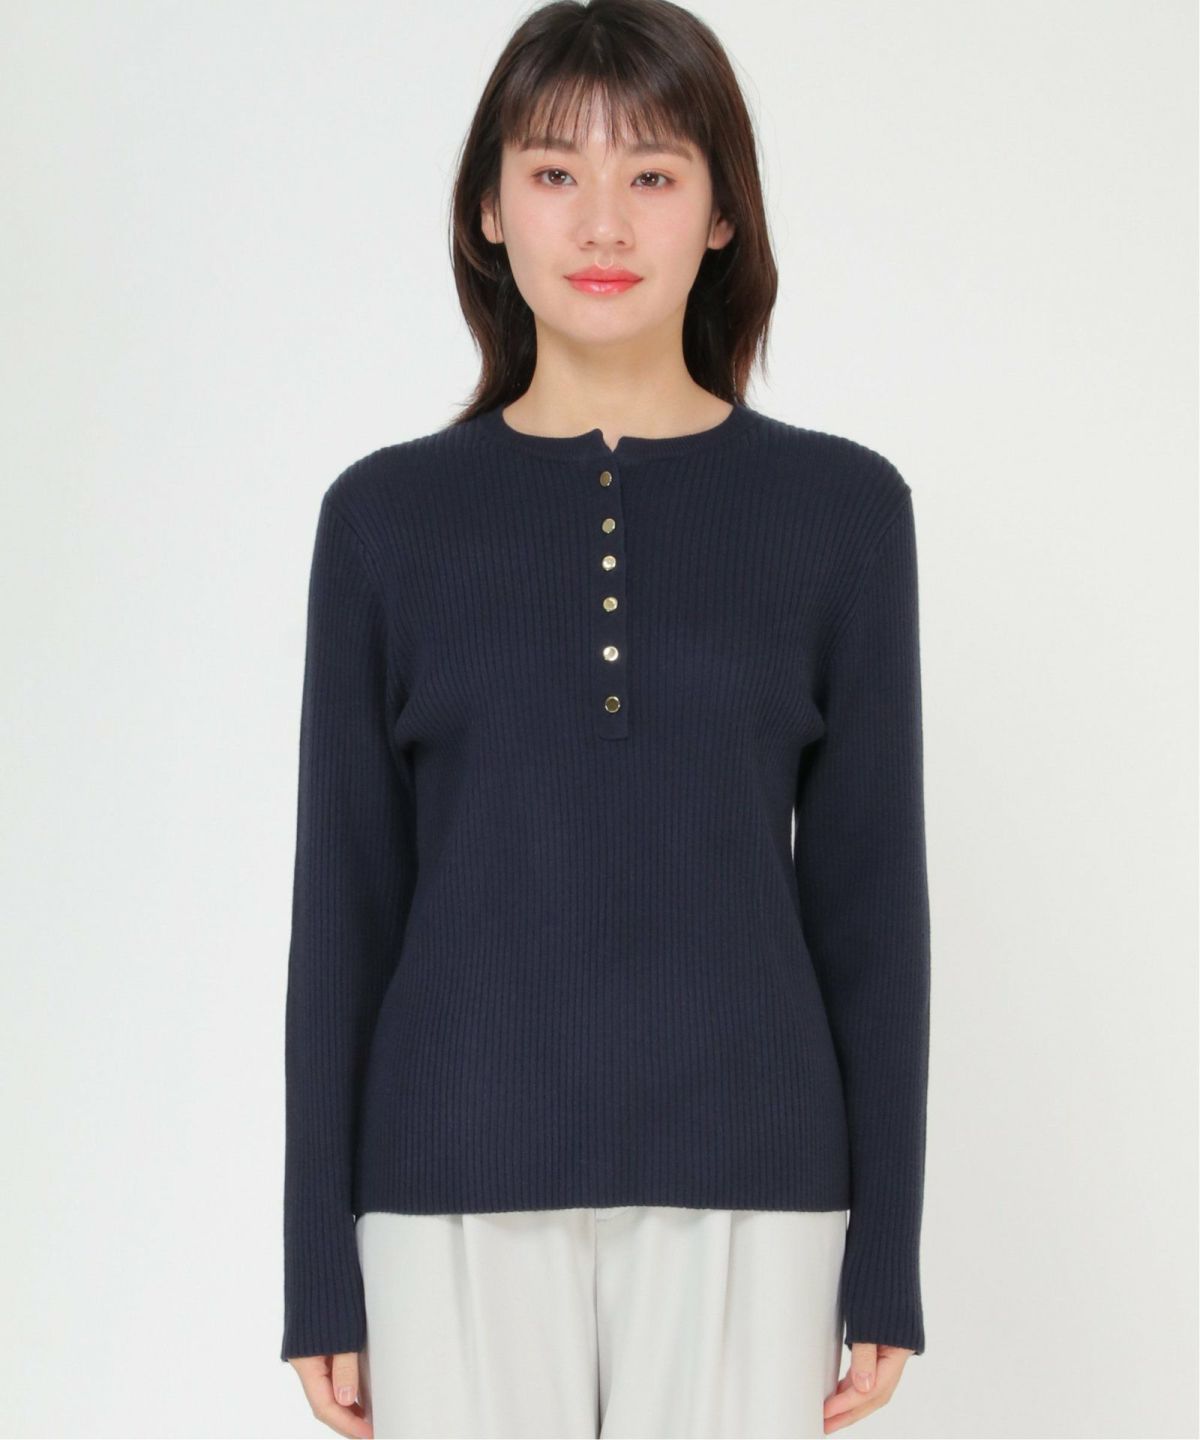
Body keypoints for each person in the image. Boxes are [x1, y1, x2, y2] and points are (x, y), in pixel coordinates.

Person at [280, 1, 931, 1436]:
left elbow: (873, 913)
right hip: (446, 1181)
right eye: (554, 171)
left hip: (753, 1178)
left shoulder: (841, 513)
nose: (602, 221)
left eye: (652, 172)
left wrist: (885, 1256)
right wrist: (318, 1270)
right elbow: (343, 914)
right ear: (489, 211)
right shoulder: (385, 520)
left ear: (720, 213)